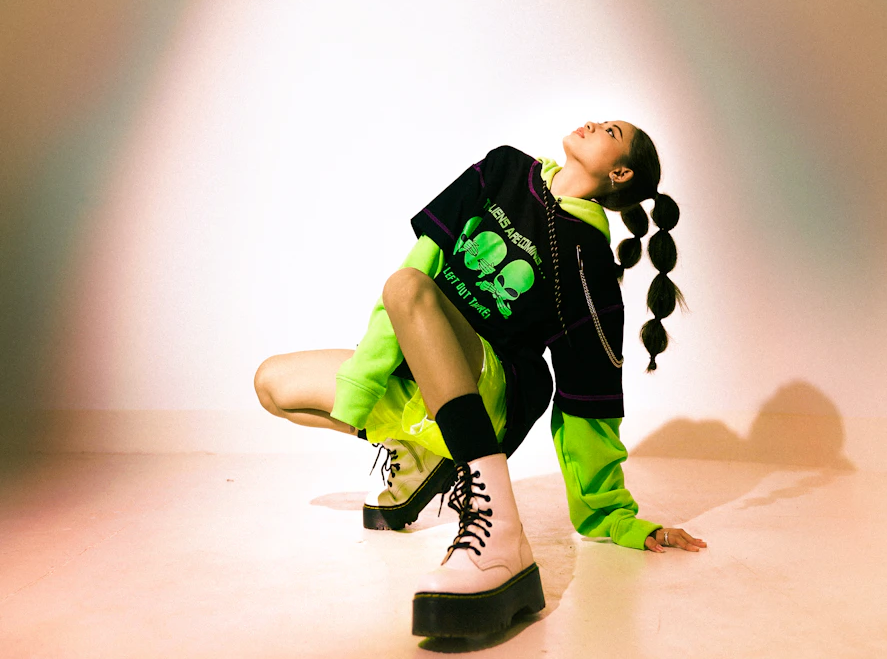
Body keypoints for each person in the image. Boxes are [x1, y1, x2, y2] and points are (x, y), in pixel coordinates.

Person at [254, 120, 706, 638]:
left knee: (406, 288)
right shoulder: (504, 169)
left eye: (610, 131)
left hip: (493, 388)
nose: (592, 124)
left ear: (620, 173)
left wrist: (616, 516)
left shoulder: (589, 261)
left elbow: (588, 400)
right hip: (419, 368)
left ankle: (499, 529)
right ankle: (423, 450)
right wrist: (366, 376)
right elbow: (424, 257)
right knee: (272, 384)